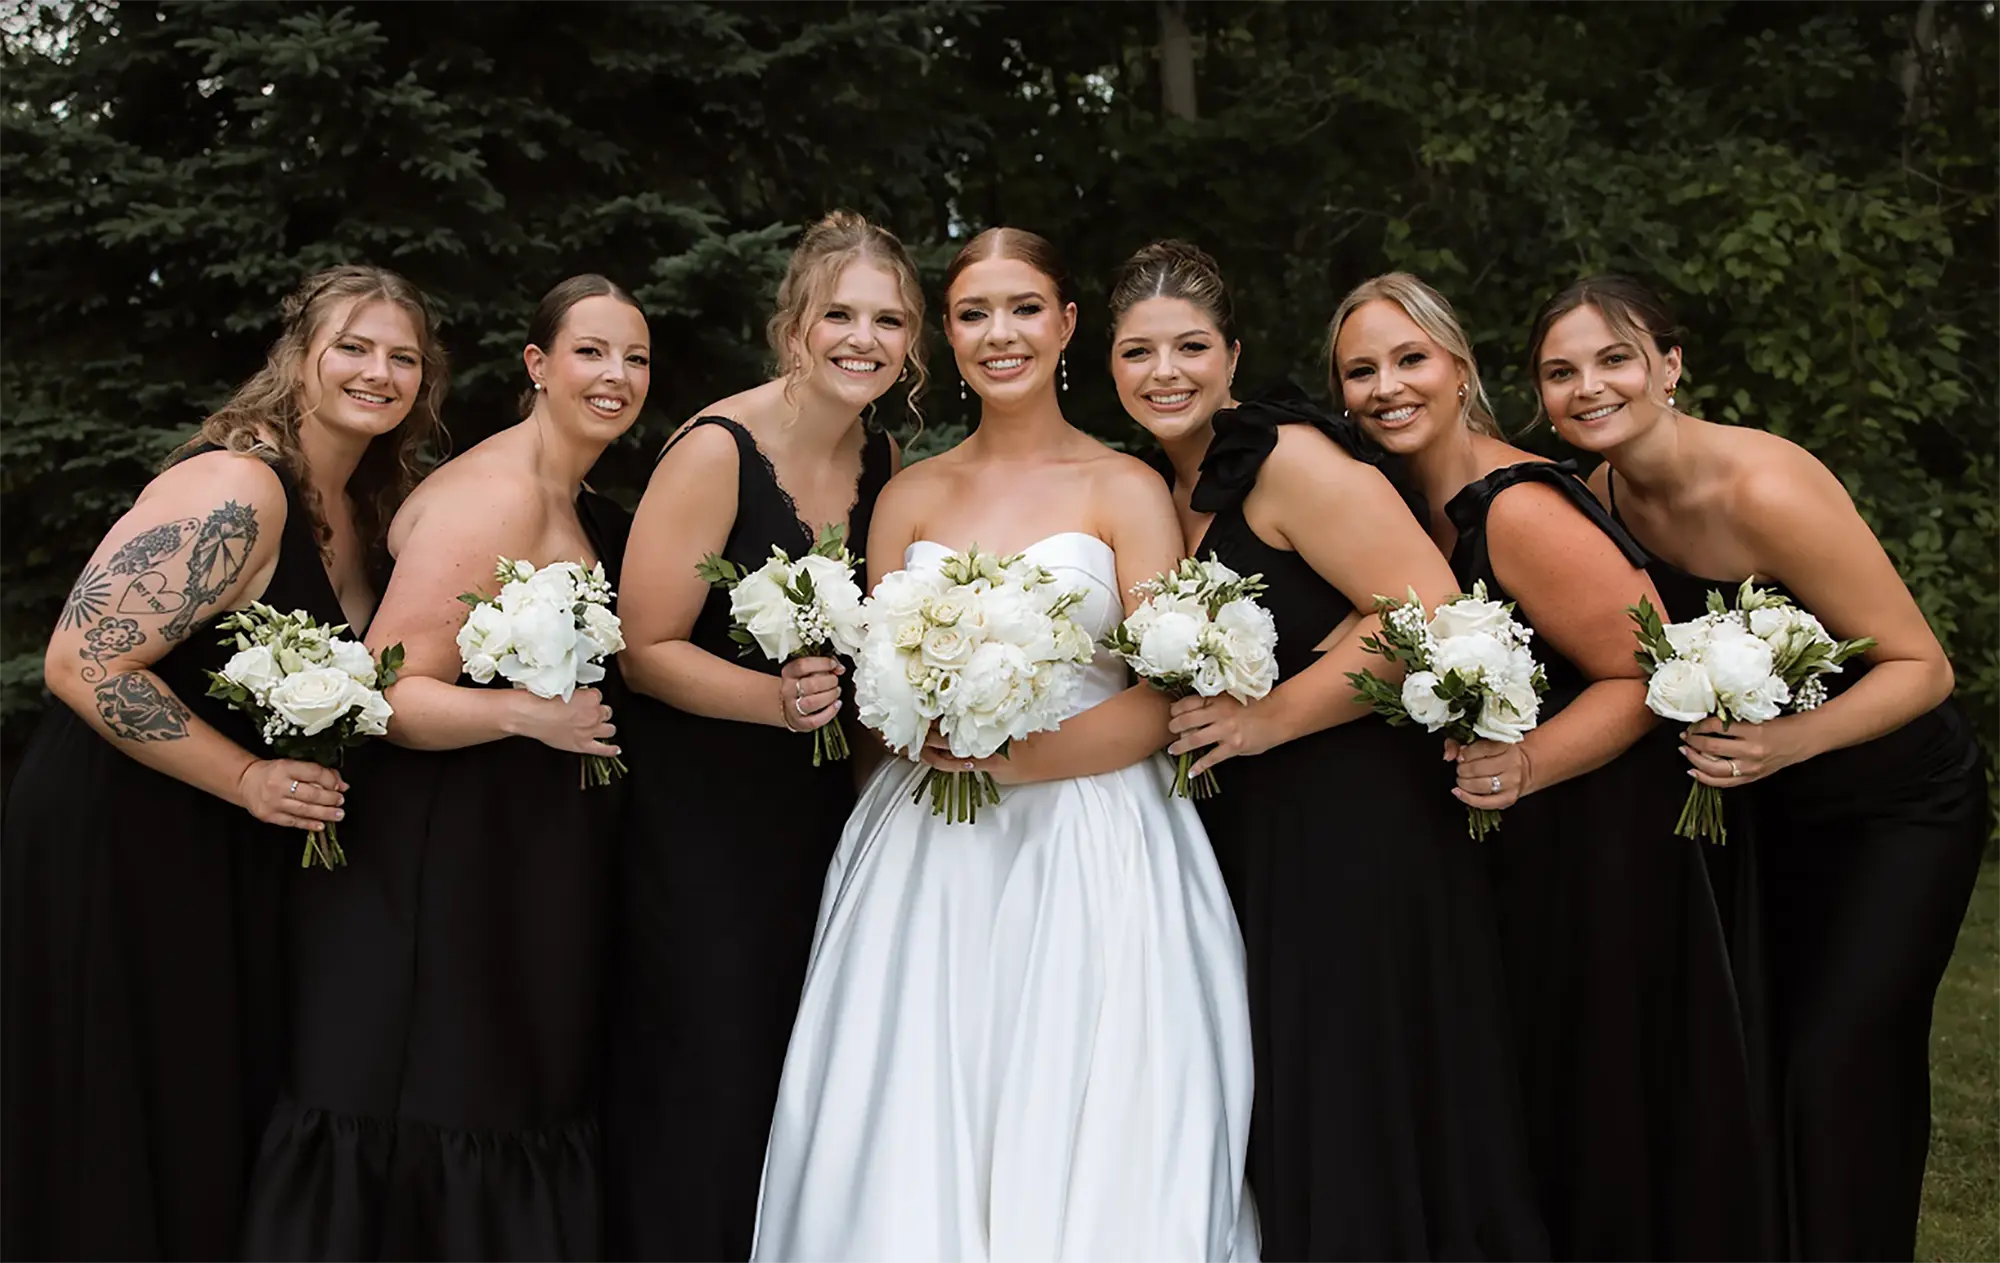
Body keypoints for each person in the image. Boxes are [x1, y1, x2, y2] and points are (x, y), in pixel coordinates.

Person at [749, 227, 1258, 1262]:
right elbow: (876, 703)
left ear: (1066, 325)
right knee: (916, 1109)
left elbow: (1165, 697)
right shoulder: (908, 494)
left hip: (1098, 840)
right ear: (948, 332)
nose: (1000, 333)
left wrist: (1013, 760)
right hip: (927, 853)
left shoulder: (1124, 487)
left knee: (1098, 1109)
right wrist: (913, 727)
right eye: (974, 313)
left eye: (1024, 308)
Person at [1532, 274, 1986, 1263]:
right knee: (1760, 1058)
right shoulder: (1589, 499)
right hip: (1761, 812)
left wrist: (1782, 744)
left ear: (1668, 364)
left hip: (1894, 803)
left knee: (1837, 1066)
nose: (1587, 388)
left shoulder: (1761, 487)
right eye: (1559, 373)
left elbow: (1921, 667)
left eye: (1613, 359)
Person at [0, 265, 445, 1263]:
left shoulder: (372, 508)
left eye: (403, 356)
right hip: (122, 827)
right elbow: (82, 658)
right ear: (300, 358)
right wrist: (245, 779)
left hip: (227, 849)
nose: (379, 371)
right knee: (121, 1112)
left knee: (202, 1114)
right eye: (354, 347)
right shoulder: (238, 487)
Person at [1114, 241, 1547, 1262]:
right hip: (1247, 828)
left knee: (1351, 1079)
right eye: (1137, 353)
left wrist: (1265, 720)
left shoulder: (1285, 458)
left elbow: (1422, 611)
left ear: (1231, 355)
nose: (1163, 372)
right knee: (1279, 1077)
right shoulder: (1146, 481)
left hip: (1349, 819)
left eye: (1187, 346)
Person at [1333, 270, 1767, 1261]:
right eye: (1359, 371)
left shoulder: (1515, 506)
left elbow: (1647, 667)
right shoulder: (1404, 503)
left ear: (1459, 370)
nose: (1385, 386)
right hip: (1516, 854)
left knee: (1600, 1103)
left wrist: (1524, 763)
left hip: (1598, 841)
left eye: (1408, 360)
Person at [239, 275, 645, 1263]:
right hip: (441, 864)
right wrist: (525, 714)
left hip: (525, 856)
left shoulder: (580, 497)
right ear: (537, 367)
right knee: (449, 1096)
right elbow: (386, 691)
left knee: (518, 1091)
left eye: (635, 358)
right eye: (590, 351)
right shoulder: (492, 492)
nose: (616, 376)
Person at [607, 210, 919, 1261]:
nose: (861, 339)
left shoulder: (886, 459)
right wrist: (770, 702)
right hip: (702, 813)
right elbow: (642, 645)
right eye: (839, 314)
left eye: (888, 319)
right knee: (708, 1053)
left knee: (804, 1057)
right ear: (794, 325)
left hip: (824, 813)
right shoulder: (715, 450)